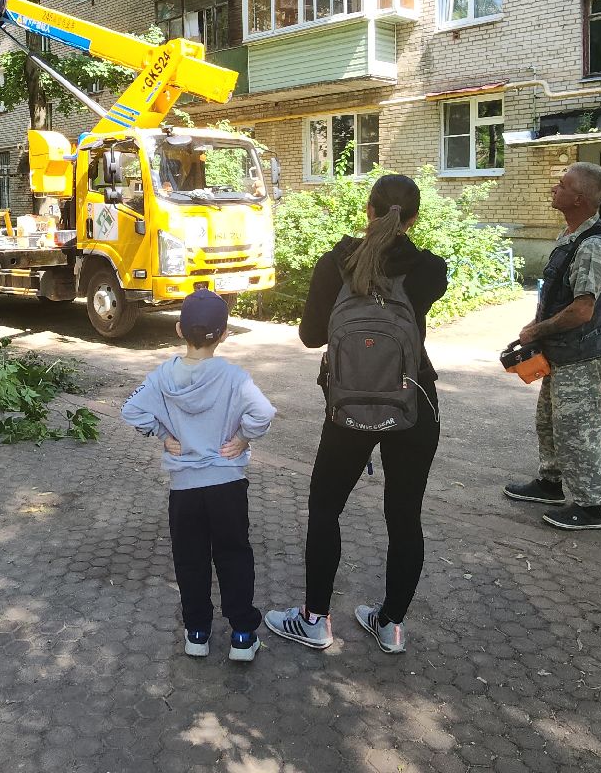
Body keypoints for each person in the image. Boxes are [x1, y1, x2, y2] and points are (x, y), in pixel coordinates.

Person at [264, 173, 448, 655]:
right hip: (413, 402)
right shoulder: (430, 269)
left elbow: (310, 337)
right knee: (405, 517)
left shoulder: (335, 262)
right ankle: (389, 624)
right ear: (414, 218)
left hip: (346, 406)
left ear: (366, 209)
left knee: (326, 509)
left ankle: (314, 620)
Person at [122, 289, 276, 663]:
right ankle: (242, 635)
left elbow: (131, 409)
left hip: (185, 490)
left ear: (178, 330)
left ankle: (196, 633)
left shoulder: (161, 377)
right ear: (224, 335)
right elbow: (264, 413)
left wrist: (164, 436)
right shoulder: (234, 377)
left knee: (189, 560)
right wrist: (241, 439)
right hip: (226, 485)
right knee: (234, 556)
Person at [504, 162, 601, 531]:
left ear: (579, 198)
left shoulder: (592, 247)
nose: (555, 188)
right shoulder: (571, 237)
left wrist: (537, 330)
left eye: (563, 184)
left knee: (576, 433)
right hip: (561, 353)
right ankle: (550, 483)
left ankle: (589, 507)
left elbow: (582, 310)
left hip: (580, 356)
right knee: (549, 423)